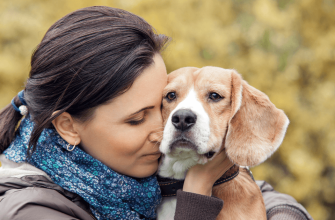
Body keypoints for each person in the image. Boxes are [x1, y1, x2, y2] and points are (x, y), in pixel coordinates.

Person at [0, 6, 312, 220]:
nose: (162, 129)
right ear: (68, 126)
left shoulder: (127, 166)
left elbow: (257, 190)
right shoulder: (30, 210)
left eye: (161, 107)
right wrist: (197, 193)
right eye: (136, 119)